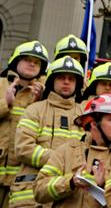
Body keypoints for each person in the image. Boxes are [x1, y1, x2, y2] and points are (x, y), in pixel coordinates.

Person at [11, 56, 85, 207]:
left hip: (70, 196)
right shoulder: (35, 110)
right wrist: (60, 161)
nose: (66, 82)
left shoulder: (84, 115)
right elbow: (23, 148)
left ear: (77, 84)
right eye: (61, 77)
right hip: (30, 196)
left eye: (71, 79)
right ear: (51, 81)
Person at [32, 95, 111, 207]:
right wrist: (70, 182)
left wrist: (104, 185)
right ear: (94, 124)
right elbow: (39, 190)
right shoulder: (67, 151)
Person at [0, 41, 49, 207]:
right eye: (27, 59)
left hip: (19, 182)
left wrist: (40, 103)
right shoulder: (0, 85)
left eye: (37, 62)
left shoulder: (43, 95)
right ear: (16, 61)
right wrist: (5, 103)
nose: (32, 63)